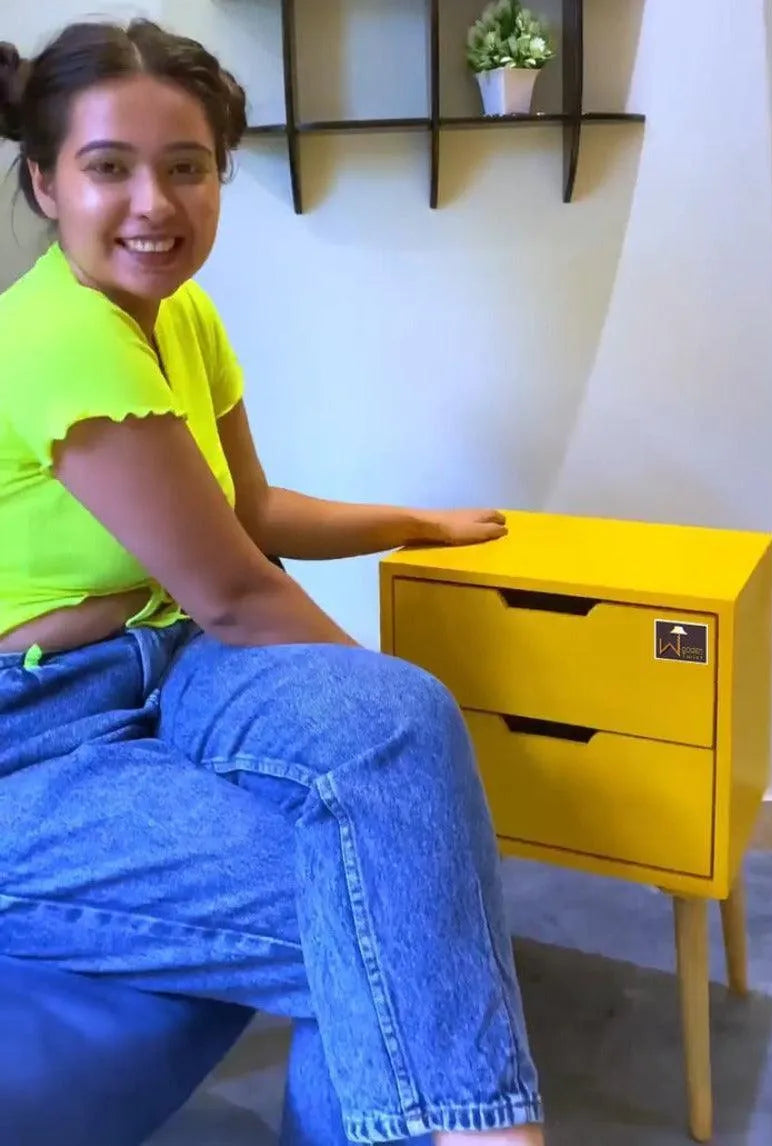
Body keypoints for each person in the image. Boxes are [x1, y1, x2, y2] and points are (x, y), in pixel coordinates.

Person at [0, 19, 545, 1146]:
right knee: (388, 921)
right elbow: (238, 592)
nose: (155, 202)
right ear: (45, 184)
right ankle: (490, 1135)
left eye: (186, 167)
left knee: (400, 726)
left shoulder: (181, 314)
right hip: (37, 738)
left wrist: (414, 521)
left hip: (173, 669)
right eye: (109, 167)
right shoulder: (56, 336)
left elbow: (241, 517)